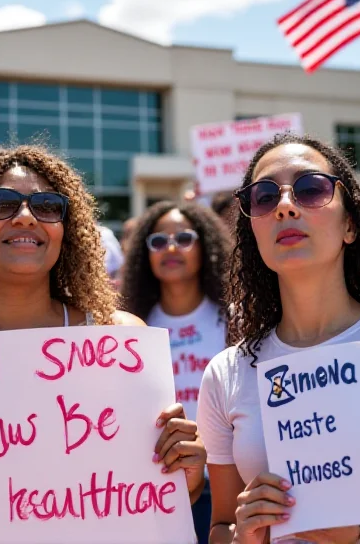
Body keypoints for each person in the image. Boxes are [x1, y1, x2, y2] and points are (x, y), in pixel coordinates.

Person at [0, 146, 207, 542]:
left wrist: (188, 474)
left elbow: (155, 501)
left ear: (66, 232)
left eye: (46, 206)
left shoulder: (120, 342)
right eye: (0, 203)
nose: (26, 216)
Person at [197, 133, 360, 543]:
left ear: (349, 225)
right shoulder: (225, 373)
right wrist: (244, 537)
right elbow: (220, 528)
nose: (285, 206)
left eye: (310, 190)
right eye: (264, 197)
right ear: (252, 228)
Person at [121, 200, 231, 543]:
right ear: (144, 254)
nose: (170, 248)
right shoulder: (130, 326)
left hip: (227, 483)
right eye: (157, 241)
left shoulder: (235, 318)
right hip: (161, 484)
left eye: (184, 238)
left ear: (206, 245)